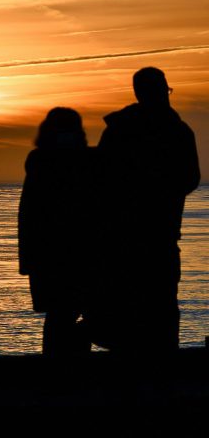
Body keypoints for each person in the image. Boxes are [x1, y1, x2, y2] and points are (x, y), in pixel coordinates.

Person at [91, 67, 200, 353]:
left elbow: (99, 180)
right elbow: (190, 178)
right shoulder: (177, 131)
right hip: (148, 236)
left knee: (136, 309)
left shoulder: (120, 129)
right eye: (163, 90)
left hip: (132, 236)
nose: (166, 95)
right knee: (157, 308)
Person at [18, 108, 98, 355]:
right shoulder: (42, 162)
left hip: (71, 253)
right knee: (61, 315)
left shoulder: (83, 161)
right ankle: (59, 369)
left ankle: (61, 368)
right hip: (55, 255)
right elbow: (29, 214)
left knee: (66, 315)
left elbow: (27, 215)